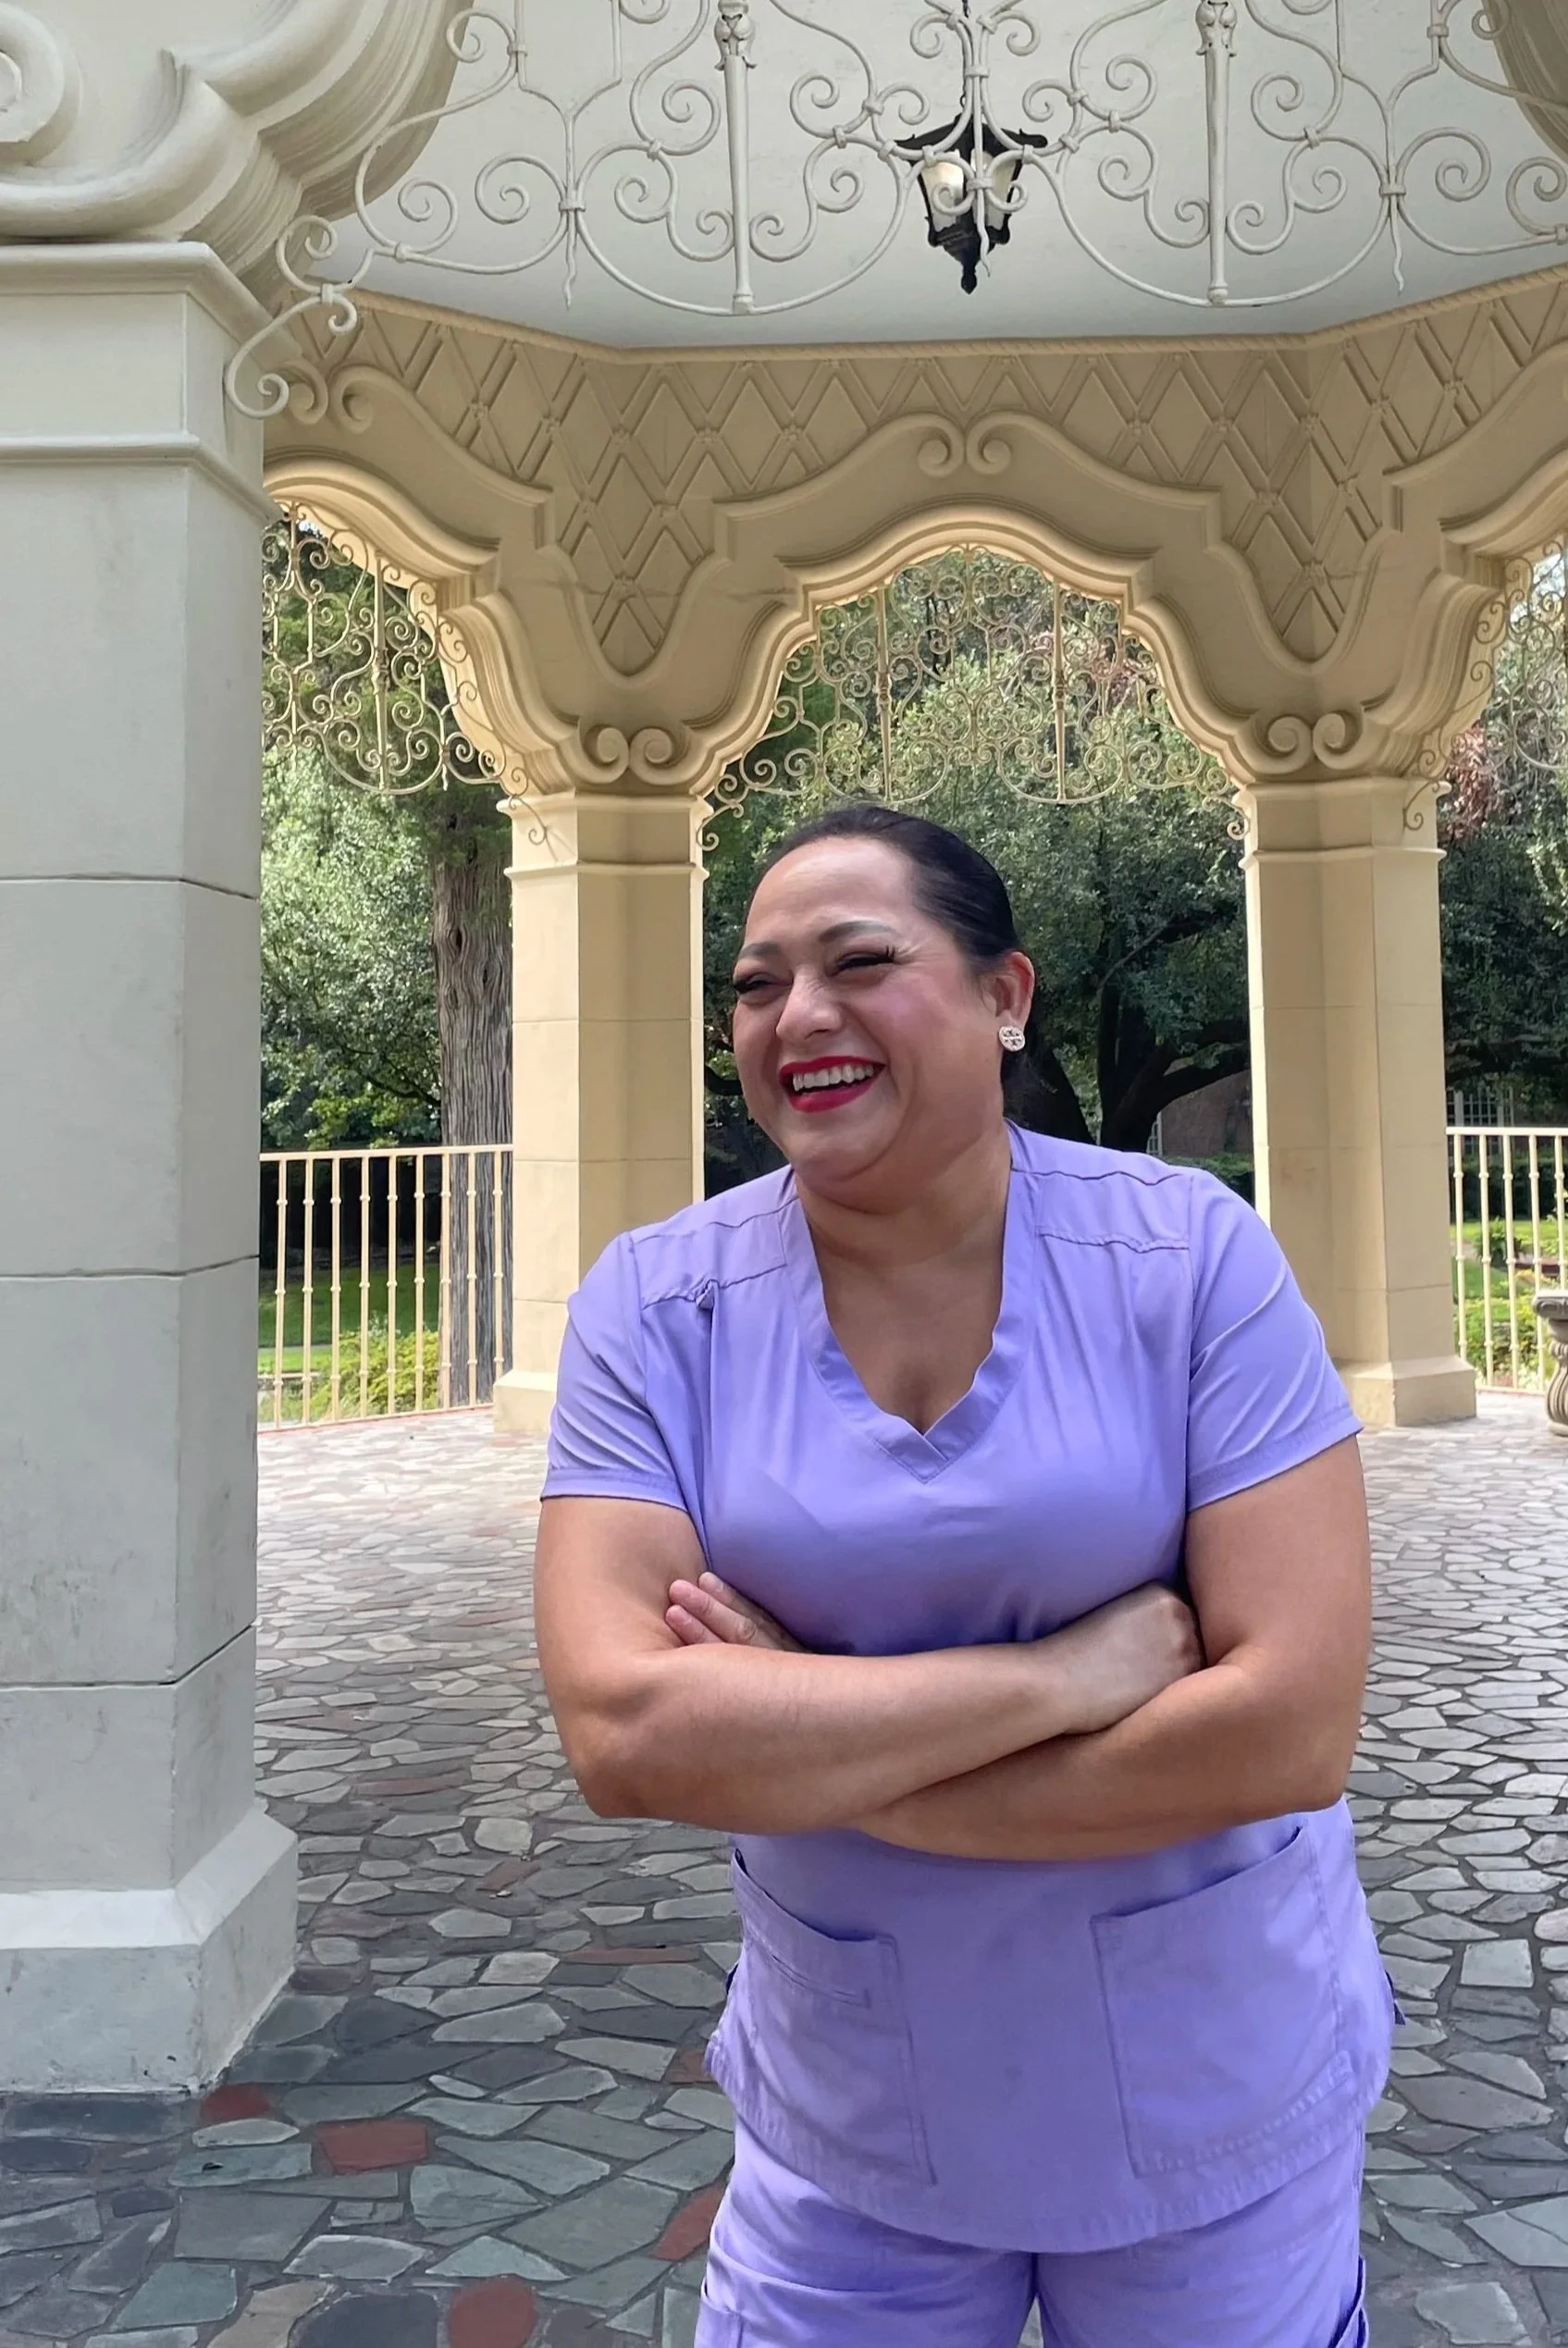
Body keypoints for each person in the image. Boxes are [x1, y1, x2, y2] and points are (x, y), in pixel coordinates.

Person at [534, 804, 1392, 2348]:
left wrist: (810, 1741)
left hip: (1210, 2090)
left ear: (1006, 995)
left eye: (859, 962)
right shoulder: (656, 1309)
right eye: (756, 983)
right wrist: (1061, 1678)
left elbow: (1288, 1727)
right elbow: (626, 1731)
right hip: (853, 2113)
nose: (798, 1014)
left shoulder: (1192, 1260)